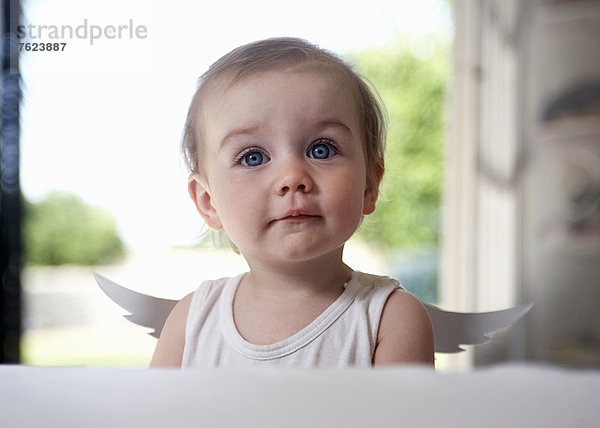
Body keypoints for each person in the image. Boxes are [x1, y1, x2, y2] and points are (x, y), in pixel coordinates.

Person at [150, 37, 434, 368]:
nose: (292, 176)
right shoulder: (190, 323)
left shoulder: (389, 319)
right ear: (208, 201)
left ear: (370, 184)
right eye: (253, 157)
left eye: (321, 149)